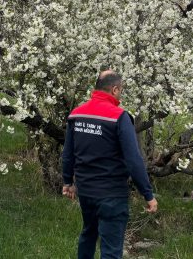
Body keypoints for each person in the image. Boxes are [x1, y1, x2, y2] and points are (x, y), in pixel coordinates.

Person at [61, 70, 158, 259]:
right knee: (111, 250)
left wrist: (67, 182)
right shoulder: (119, 117)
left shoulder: (76, 114)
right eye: (120, 90)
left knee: (88, 235)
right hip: (112, 194)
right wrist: (147, 194)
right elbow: (133, 160)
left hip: (86, 192)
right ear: (114, 89)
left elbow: (68, 153)